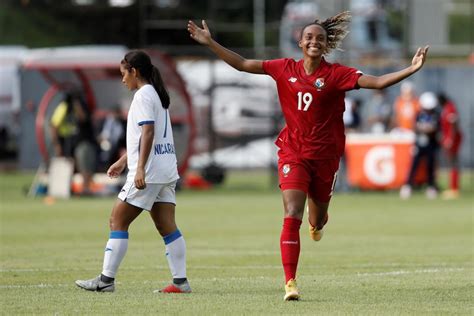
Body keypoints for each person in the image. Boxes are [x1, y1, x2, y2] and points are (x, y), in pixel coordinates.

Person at [188, 11, 429, 301]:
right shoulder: (283, 68)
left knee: (318, 218)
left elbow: (377, 82)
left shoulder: (337, 74)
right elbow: (242, 64)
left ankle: (319, 222)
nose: (314, 42)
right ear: (300, 42)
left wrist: (411, 69)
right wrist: (211, 43)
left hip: (325, 157)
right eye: (309, 37)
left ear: (325, 45)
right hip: (293, 152)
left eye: (320, 39)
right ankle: (290, 282)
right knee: (292, 213)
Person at [75, 50, 191, 293]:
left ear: (134, 71)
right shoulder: (157, 94)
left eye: (123, 74)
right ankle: (181, 282)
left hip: (149, 172)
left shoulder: (142, 96)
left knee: (117, 220)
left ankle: (106, 281)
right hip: (166, 168)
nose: (122, 79)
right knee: (166, 225)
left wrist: (139, 169)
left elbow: (147, 132)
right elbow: (149, 135)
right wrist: (122, 160)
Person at [50, 92, 98, 195]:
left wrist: (77, 104)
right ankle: (66, 189)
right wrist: (57, 145)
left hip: (78, 141)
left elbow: (83, 118)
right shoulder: (64, 107)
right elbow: (54, 125)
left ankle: (84, 189)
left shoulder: (81, 107)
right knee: (69, 165)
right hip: (66, 142)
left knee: (83, 164)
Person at [399, 92, 440, 200]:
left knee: (430, 165)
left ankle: (431, 186)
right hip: (419, 143)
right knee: (414, 165)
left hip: (431, 143)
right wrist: (424, 129)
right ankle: (408, 185)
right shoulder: (419, 114)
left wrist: (425, 129)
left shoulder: (435, 115)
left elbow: (434, 129)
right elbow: (415, 127)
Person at [438, 93, 463, 199]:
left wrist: (450, 139)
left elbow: (454, 125)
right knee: (451, 162)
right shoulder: (447, 108)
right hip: (450, 138)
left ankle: (454, 188)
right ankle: (453, 187)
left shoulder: (450, 108)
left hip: (453, 139)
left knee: (452, 162)